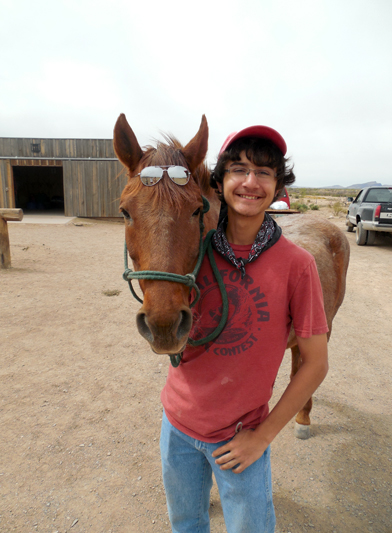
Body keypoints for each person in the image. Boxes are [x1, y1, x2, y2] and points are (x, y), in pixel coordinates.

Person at [160, 125, 329, 533]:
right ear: (219, 182)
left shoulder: (297, 265)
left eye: (265, 172)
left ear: (278, 187)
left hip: (241, 437)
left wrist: (263, 437)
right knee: (185, 524)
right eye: (238, 169)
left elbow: (316, 364)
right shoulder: (192, 253)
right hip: (176, 427)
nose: (250, 182)